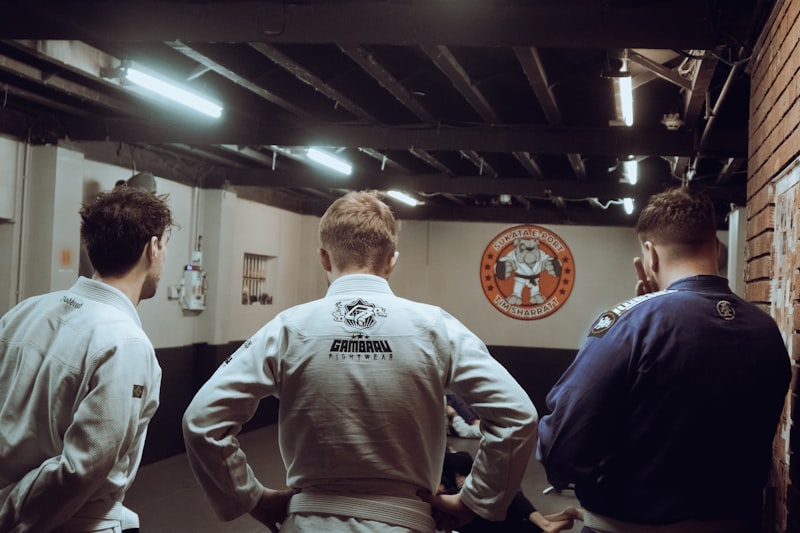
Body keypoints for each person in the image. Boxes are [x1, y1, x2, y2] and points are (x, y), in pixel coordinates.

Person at [182, 190, 538, 532]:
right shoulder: (436, 327)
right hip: (406, 521)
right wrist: (475, 501)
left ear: (323, 257)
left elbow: (202, 420)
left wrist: (251, 498)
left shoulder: (289, 328)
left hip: (309, 522)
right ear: (392, 259)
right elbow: (517, 415)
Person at [537, 187, 791, 533]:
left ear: (650, 255)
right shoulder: (766, 329)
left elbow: (562, 448)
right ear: (715, 248)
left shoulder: (631, 322)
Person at [0, 186, 174, 532]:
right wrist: (8, 516)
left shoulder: (25, 311)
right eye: (164, 246)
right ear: (152, 248)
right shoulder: (125, 343)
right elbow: (81, 470)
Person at [439, 450, 579, 533]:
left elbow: (464, 459)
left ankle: (548, 523)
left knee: (503, 490)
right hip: (466, 520)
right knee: (507, 524)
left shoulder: (438, 460)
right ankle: (553, 520)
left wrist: (461, 476)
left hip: (474, 510)